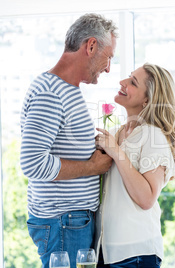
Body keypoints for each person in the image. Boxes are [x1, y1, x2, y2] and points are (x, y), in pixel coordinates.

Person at [20, 13, 118, 268]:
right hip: (64, 221)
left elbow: (61, 144)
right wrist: (92, 167)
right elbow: (32, 164)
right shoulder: (50, 93)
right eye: (108, 57)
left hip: (70, 221)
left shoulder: (67, 89)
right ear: (91, 46)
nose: (108, 68)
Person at [94, 63, 175, 267]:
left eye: (133, 82)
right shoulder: (116, 132)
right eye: (128, 77)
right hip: (106, 251)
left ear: (147, 100)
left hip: (135, 254)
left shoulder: (154, 136)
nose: (122, 82)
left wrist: (115, 151)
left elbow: (146, 198)